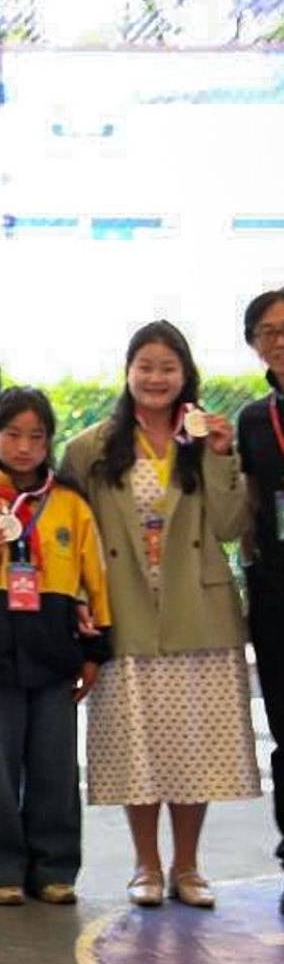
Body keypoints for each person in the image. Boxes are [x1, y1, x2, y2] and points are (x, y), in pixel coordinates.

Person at [61, 321, 258, 908]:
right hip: (124, 612)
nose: (155, 378)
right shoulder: (91, 447)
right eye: (145, 366)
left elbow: (228, 526)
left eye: (167, 368)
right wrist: (79, 606)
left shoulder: (207, 440)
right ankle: (145, 866)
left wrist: (223, 458)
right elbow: (70, 535)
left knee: (195, 749)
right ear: (128, 372)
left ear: (185, 375)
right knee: (135, 747)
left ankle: (189, 867)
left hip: (200, 612)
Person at [0, 386, 111, 907]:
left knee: (55, 766)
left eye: (36, 437)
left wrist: (96, 650)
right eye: (12, 434)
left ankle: (55, 867)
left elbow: (96, 579)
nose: (23, 446)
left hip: (55, 648)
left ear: (49, 443)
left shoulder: (70, 503)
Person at [236, 286, 284, 910]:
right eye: (268, 331)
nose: (279, 338)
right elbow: (243, 503)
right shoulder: (253, 419)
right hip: (275, 586)